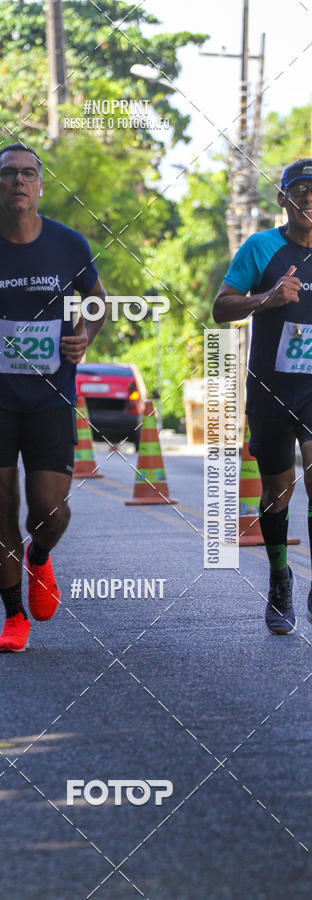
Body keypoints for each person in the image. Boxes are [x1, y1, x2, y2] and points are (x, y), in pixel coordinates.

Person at [0, 143, 106, 652]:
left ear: (41, 185)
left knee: (49, 512)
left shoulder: (69, 245)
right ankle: (13, 616)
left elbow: (96, 303)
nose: (19, 182)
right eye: (9, 175)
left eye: (29, 174)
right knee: (0, 506)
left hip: (52, 394)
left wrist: (86, 333)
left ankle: (39, 557)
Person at [213, 158, 312, 635]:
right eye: (302, 189)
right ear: (284, 199)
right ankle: (279, 577)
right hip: (272, 388)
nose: (311, 197)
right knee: (278, 492)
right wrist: (267, 298)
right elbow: (220, 307)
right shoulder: (262, 247)